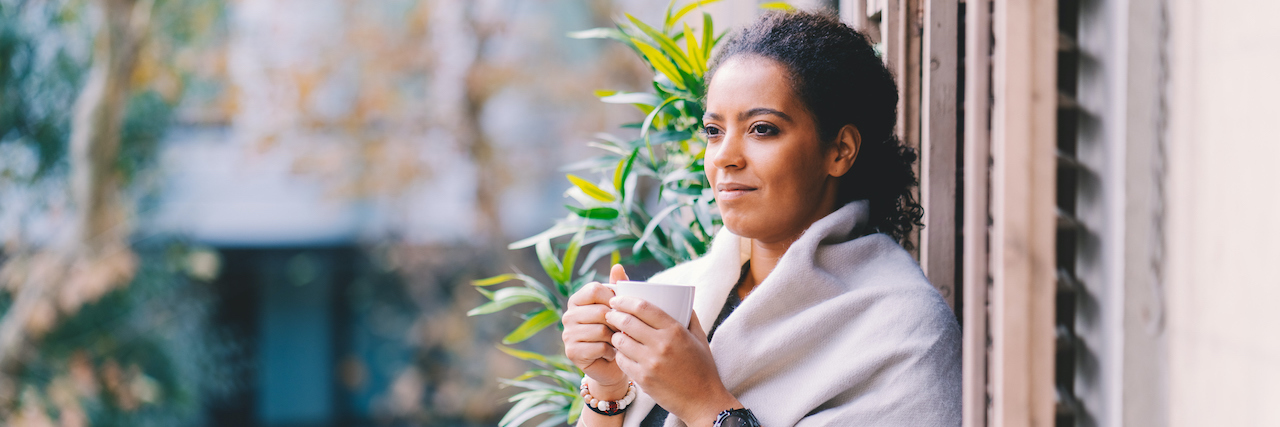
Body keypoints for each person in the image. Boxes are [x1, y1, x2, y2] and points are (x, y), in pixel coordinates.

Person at [561, 10, 961, 427]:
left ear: (839, 150)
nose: (725, 157)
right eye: (714, 131)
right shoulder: (682, 294)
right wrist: (608, 391)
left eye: (762, 129)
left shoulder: (904, 334)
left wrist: (704, 403)